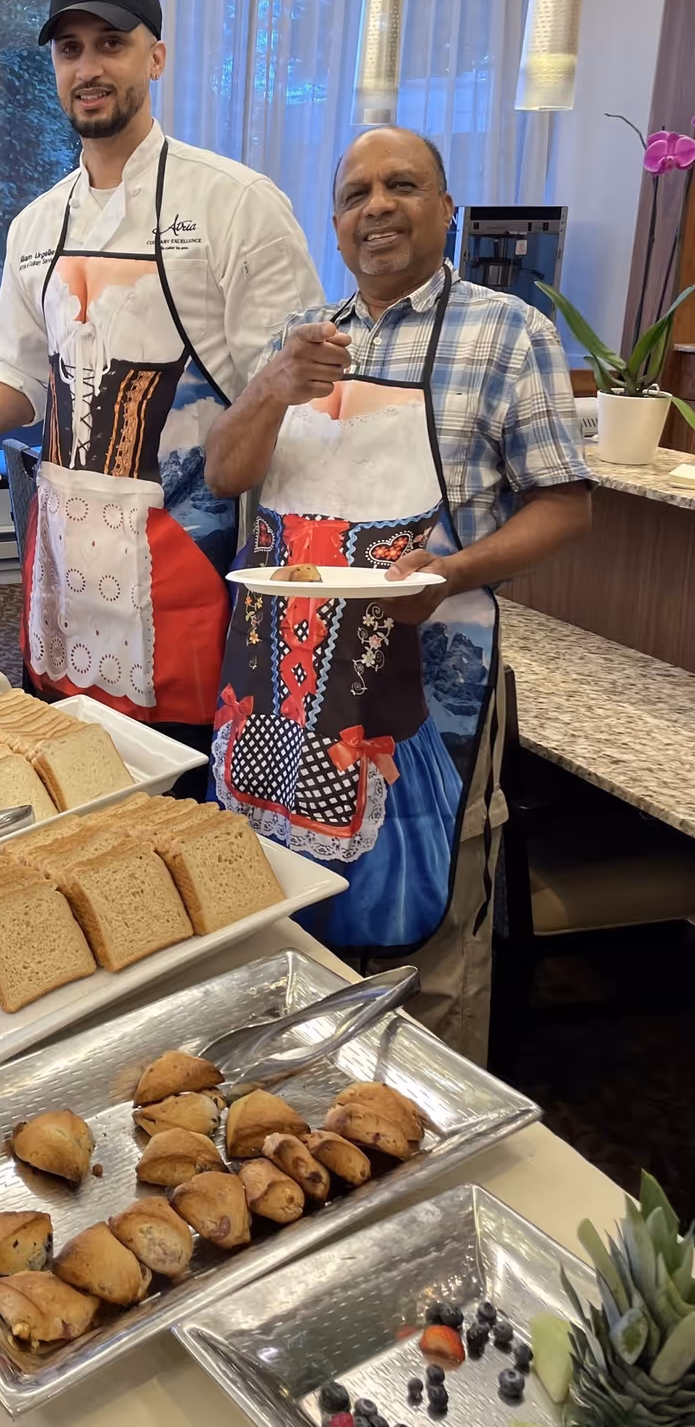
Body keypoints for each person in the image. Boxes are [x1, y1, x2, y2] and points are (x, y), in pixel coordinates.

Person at [203, 126, 592, 1061]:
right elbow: (225, 475)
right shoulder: (301, 338)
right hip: (278, 685)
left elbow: (566, 507)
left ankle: (425, 1104)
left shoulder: (508, 335)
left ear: (447, 209)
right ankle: (283, 1088)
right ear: (336, 226)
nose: (376, 206)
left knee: (426, 926)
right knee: (280, 905)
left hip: (426, 679)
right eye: (355, 194)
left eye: (403, 185)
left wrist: (448, 573)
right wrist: (271, 388)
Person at [0, 0, 322, 762]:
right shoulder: (34, 226)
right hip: (62, 560)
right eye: (69, 50)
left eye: (110, 44)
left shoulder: (235, 203)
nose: (88, 68)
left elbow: (292, 400)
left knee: (179, 812)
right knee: (67, 792)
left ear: (154, 56)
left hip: (190, 559)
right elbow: (21, 377)